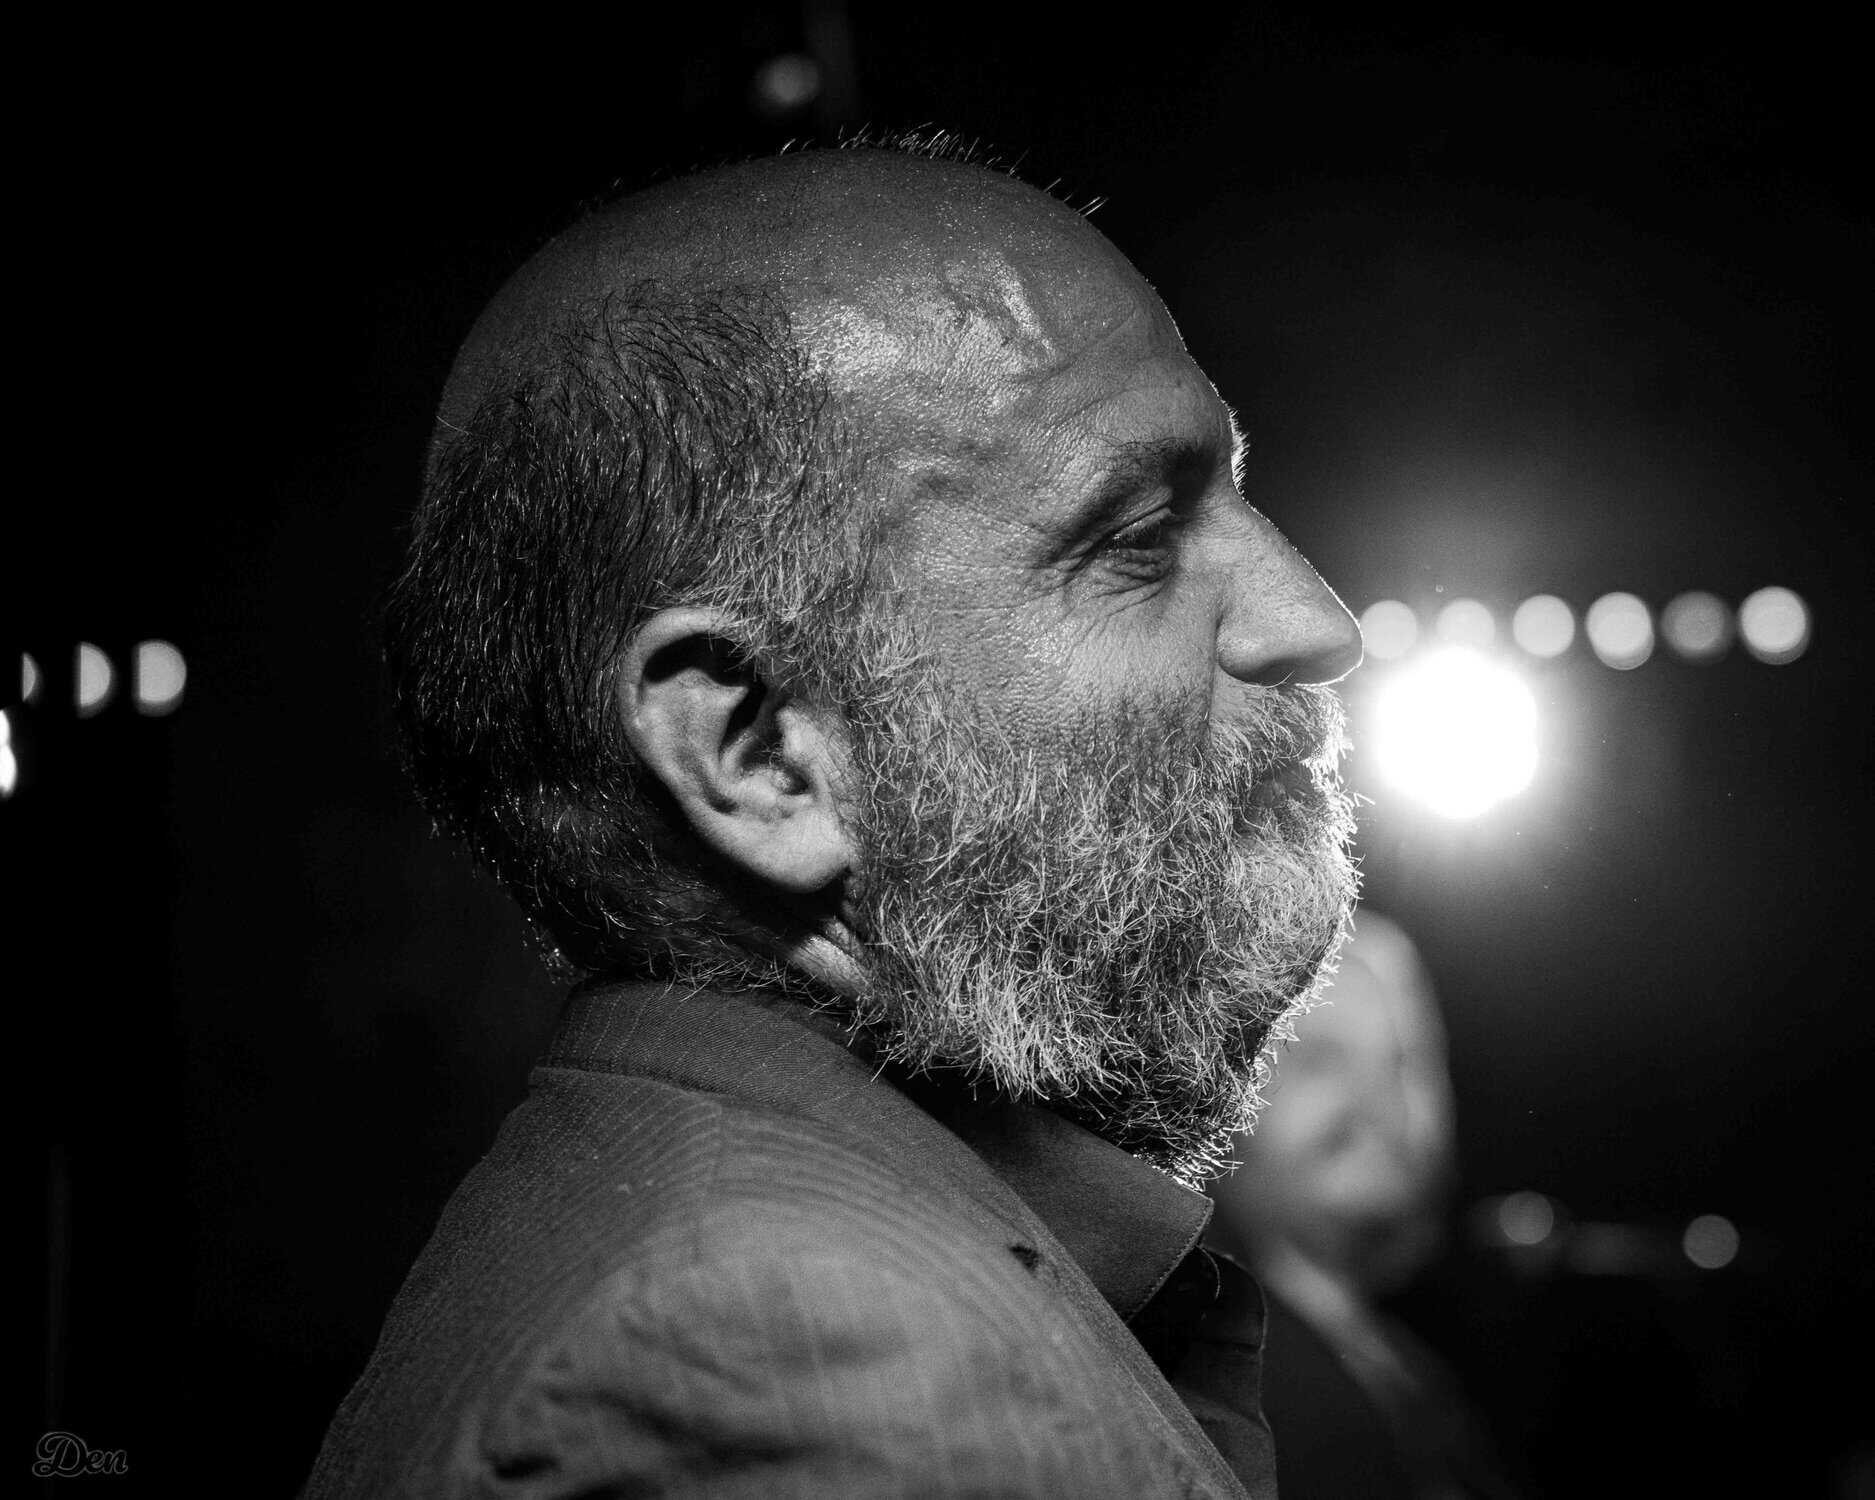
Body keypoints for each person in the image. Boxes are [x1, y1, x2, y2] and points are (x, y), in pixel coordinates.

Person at [304, 133, 1364, 1499]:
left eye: (1233, 494)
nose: (1312, 620)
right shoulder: (805, 1367)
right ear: (759, 757)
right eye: (1133, 540)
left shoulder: (717, 1243)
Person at [1207, 910, 1524, 1499]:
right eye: (1321, 1059)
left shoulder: (1406, 1366)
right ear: (1225, 1094)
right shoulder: (1211, 1382)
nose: (1379, 1103)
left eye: (1401, 1064)